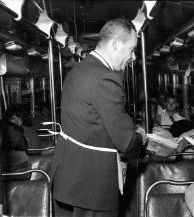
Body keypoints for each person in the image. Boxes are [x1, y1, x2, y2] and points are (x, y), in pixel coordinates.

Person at [51, 18, 145, 217]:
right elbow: (126, 141)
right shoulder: (105, 78)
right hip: (92, 183)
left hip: (69, 174)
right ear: (116, 44)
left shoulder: (78, 70)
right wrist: (142, 137)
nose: (133, 57)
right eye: (131, 49)